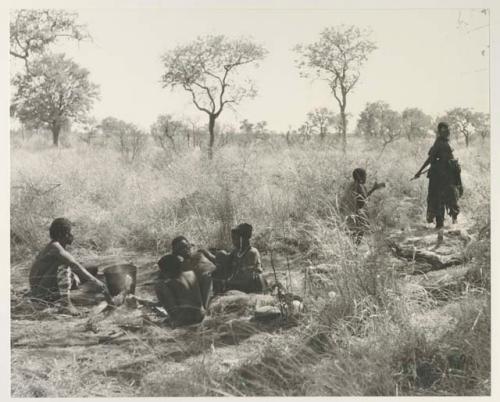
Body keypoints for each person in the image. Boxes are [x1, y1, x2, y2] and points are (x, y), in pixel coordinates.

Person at [29, 218, 111, 315]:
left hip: (48, 282)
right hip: (40, 292)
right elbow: (73, 264)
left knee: (92, 268)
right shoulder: (55, 247)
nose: (72, 236)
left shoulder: (57, 246)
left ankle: (73, 283)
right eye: (70, 233)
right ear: (61, 234)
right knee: (64, 264)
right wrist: (97, 282)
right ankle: (66, 304)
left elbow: (77, 265)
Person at [413, 122, 462, 229]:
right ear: (440, 132)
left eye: (448, 129)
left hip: (448, 174)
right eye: (444, 130)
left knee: (451, 197)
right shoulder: (439, 143)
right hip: (439, 176)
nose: (447, 132)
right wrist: (419, 171)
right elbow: (430, 159)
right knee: (439, 198)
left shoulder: (445, 142)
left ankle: (452, 221)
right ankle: (440, 224)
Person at [205, 223, 265, 294]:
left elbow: (246, 279)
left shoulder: (252, 253)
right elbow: (224, 261)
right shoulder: (236, 251)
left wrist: (225, 283)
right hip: (239, 284)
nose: (233, 241)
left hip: (252, 287)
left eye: (234, 238)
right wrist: (206, 254)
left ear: (243, 239)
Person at [155, 252, 207, 326]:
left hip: (184, 320)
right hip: (201, 315)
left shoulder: (169, 283)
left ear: (167, 271)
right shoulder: (191, 273)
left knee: (158, 285)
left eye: (162, 271)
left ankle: (174, 323)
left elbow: (172, 306)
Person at [340, 168, 385, 244]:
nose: (366, 178)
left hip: (348, 214)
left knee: (351, 238)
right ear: (360, 177)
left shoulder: (351, 185)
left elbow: (362, 197)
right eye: (364, 176)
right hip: (355, 216)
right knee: (357, 237)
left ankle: (352, 252)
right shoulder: (359, 187)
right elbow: (361, 202)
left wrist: (373, 189)